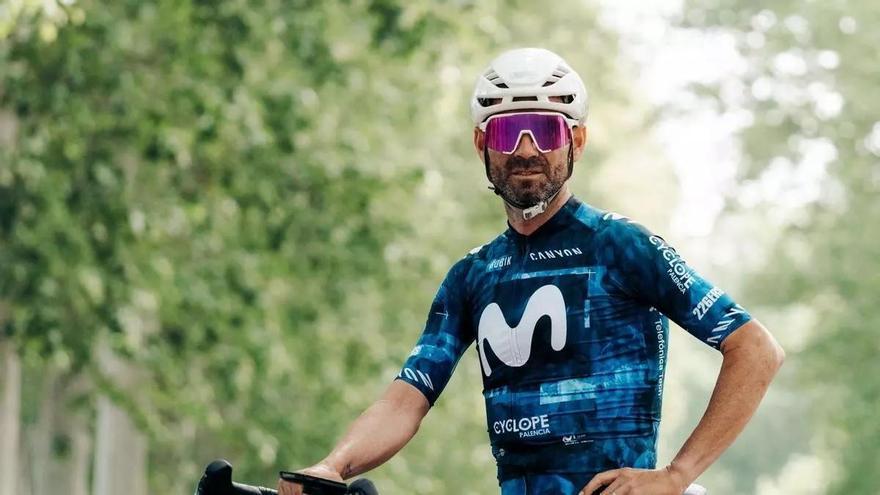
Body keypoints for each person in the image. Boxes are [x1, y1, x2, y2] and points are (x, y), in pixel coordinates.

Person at [278, 47, 785, 495]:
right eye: (506, 131)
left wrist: (677, 475)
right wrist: (332, 466)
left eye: (544, 130)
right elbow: (406, 399)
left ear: (576, 141)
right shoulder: (472, 276)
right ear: (481, 144)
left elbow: (755, 349)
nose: (526, 149)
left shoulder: (620, 245)